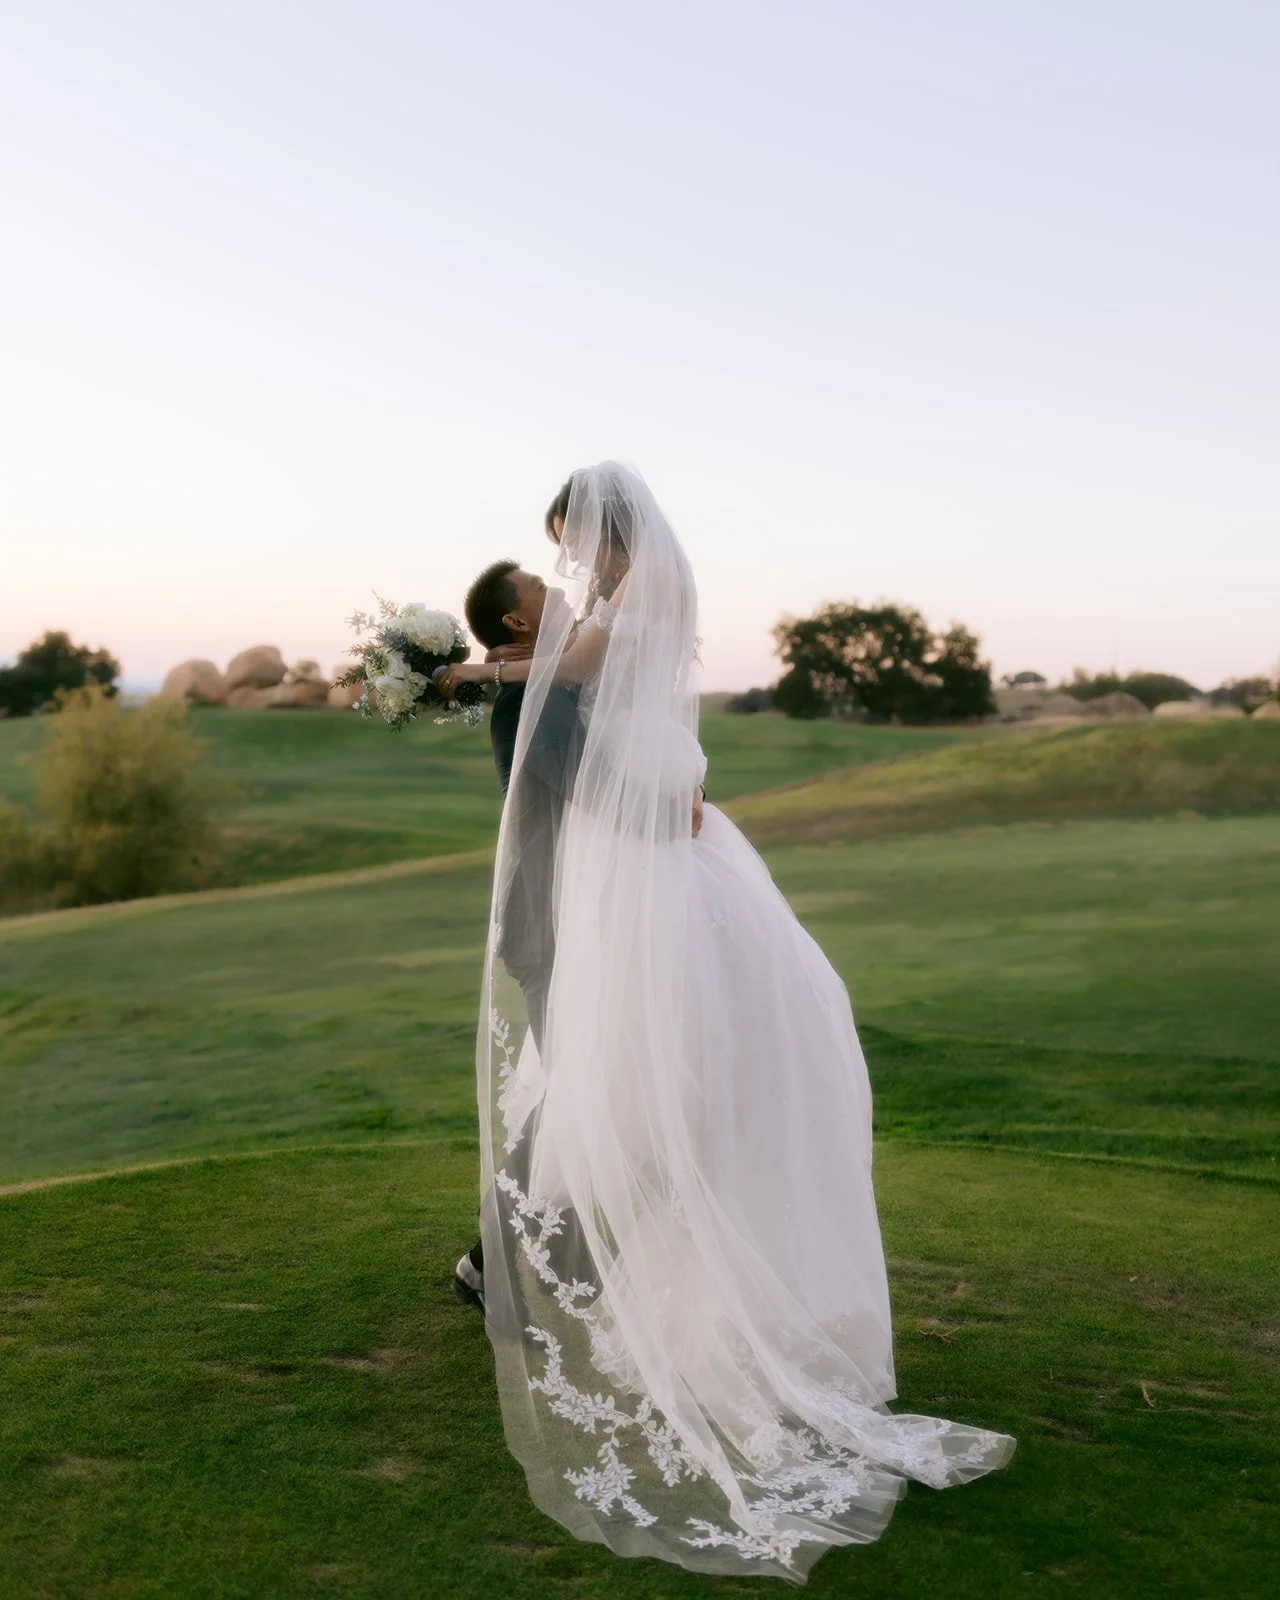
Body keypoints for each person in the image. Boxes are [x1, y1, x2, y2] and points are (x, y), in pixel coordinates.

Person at [437, 463, 1015, 1583]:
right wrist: (482, 670)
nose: (569, 565)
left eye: (571, 541)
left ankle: (585, 1266)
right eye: (555, 553)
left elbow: (574, 666)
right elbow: (563, 690)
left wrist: (467, 668)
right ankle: (528, 1259)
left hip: (662, 861)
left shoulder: (635, 597)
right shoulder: (617, 608)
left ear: (605, 531)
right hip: (645, 865)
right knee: (642, 1078)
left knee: (670, 1077)